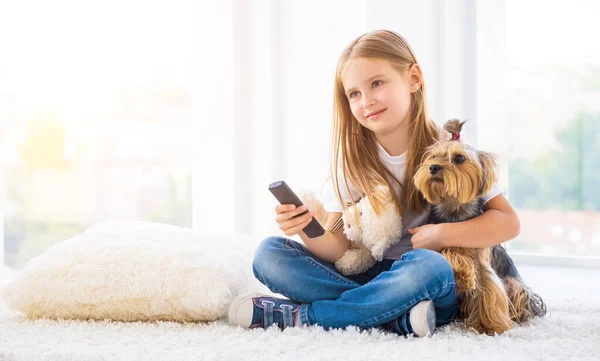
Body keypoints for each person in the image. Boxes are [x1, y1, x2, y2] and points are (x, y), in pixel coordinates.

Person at [227, 30, 520, 337]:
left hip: (423, 276)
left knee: (430, 266)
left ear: (414, 78)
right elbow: (337, 247)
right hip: (368, 276)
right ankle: (393, 315)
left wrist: (440, 234)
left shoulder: (448, 151)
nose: (366, 101)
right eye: (354, 93)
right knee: (269, 255)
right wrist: (304, 226)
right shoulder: (352, 163)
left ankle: (307, 317)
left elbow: (508, 222)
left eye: (377, 83)